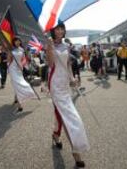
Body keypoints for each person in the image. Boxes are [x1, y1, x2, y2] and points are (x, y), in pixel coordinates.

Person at [46, 23, 89, 168]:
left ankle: (55, 135)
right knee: (70, 116)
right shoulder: (50, 44)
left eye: (61, 28)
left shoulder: (66, 45)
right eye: (57, 29)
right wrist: (50, 47)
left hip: (65, 83)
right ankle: (76, 153)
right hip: (55, 83)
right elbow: (51, 64)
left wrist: (72, 79)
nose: (59, 31)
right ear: (53, 31)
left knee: (60, 113)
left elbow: (68, 65)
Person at [7, 37, 36, 112]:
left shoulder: (22, 49)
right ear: (13, 42)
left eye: (18, 41)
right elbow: (9, 60)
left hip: (20, 68)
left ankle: (16, 98)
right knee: (17, 84)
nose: (17, 42)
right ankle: (20, 105)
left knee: (18, 84)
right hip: (13, 68)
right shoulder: (11, 50)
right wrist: (9, 55)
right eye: (16, 41)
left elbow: (24, 59)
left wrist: (22, 65)